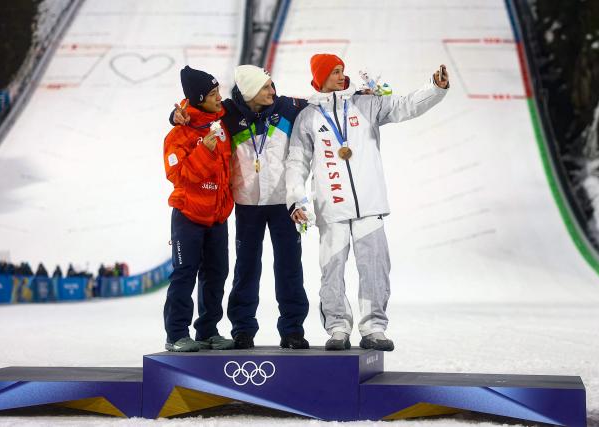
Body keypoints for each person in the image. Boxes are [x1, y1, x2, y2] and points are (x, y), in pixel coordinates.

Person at [286, 54, 450, 351]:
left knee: (375, 268)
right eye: (335, 72)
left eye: (341, 70)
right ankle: (337, 328)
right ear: (320, 77)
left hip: (369, 206)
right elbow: (296, 161)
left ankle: (374, 327)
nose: (341, 75)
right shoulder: (307, 117)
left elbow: (405, 106)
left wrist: (434, 88)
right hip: (331, 208)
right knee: (331, 271)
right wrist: (296, 200)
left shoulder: (365, 103)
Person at [172, 65, 310, 350]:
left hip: (283, 203)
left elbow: (323, 103)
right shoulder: (228, 113)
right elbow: (197, 112)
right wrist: (175, 116)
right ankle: (243, 329)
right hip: (247, 205)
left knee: (289, 268)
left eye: (272, 85)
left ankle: (292, 329)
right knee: (246, 270)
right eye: (266, 87)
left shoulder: (286, 107)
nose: (273, 91)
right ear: (249, 92)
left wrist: (357, 94)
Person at [162, 66, 234, 352]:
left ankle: (207, 330)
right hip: (188, 216)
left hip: (217, 216)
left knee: (216, 273)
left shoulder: (222, 122)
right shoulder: (177, 136)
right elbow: (178, 176)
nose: (220, 98)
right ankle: (176, 334)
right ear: (199, 97)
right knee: (184, 274)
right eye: (214, 94)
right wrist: (204, 149)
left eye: (219, 92)